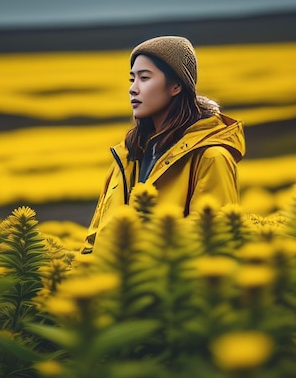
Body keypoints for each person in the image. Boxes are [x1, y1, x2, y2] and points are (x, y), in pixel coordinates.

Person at [82, 36, 245, 254]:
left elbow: (213, 245)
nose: (133, 88)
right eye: (132, 79)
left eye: (145, 78)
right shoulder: (127, 156)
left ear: (176, 85)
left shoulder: (211, 157)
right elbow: (94, 239)